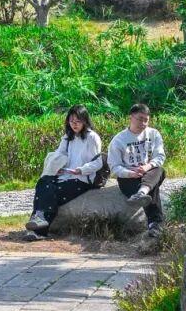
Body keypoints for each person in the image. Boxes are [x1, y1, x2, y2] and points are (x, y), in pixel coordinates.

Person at [26, 105, 104, 236]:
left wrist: (80, 170)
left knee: (53, 192)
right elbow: (59, 155)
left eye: (78, 121)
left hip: (82, 179)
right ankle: (38, 221)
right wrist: (57, 168)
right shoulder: (68, 137)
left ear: (85, 121)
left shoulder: (92, 137)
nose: (74, 124)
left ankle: (37, 230)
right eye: (71, 121)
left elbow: (98, 162)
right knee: (43, 182)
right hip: (65, 176)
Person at [108, 102, 166, 238]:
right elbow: (114, 167)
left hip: (148, 174)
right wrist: (130, 173)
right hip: (128, 179)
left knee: (159, 170)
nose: (143, 123)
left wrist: (146, 167)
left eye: (146, 120)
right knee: (153, 187)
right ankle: (155, 224)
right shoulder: (118, 140)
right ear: (131, 117)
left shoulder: (153, 134)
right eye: (140, 119)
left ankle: (141, 193)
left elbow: (160, 156)